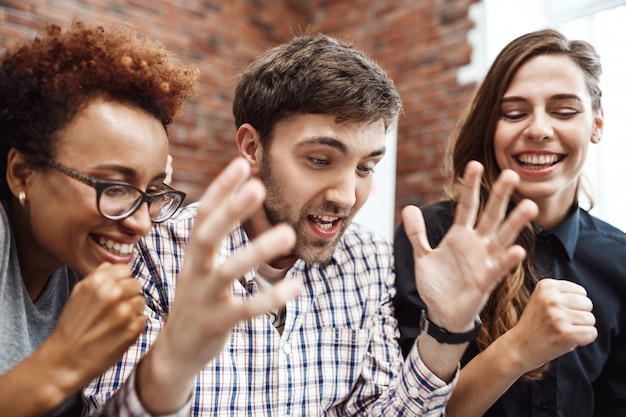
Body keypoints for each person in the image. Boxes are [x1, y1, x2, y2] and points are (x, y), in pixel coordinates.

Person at [85, 33, 538, 415]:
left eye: (366, 167)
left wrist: (445, 332)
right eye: (320, 160)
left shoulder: (367, 258)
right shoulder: (154, 248)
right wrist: (172, 368)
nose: (346, 195)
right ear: (251, 147)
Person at [0, 21, 300, 416]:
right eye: (114, 186)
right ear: (23, 174)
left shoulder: (87, 264)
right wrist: (62, 363)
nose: (141, 224)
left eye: (153, 191)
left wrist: (166, 372)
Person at [394, 28, 626, 416]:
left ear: (597, 124)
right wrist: (517, 349)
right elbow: (399, 409)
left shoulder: (619, 260)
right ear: (492, 126)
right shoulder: (433, 238)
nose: (538, 129)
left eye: (564, 110)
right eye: (514, 113)